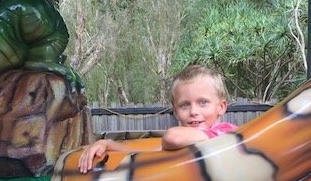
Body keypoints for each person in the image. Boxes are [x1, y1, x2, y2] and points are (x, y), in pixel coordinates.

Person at [78, 65, 238, 173]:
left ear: (221, 107)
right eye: (184, 105)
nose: (193, 111)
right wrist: (107, 144)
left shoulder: (227, 133)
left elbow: (171, 137)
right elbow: (142, 153)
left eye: (203, 103)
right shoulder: (181, 143)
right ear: (175, 111)